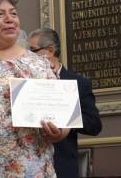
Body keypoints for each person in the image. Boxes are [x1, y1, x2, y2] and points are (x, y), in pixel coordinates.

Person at [0, 0, 69, 177]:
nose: (9, 19)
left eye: (13, 13)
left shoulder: (40, 64)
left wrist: (58, 133)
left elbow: (64, 121)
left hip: (34, 169)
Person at [28, 28, 102, 178]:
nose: (27, 56)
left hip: (61, 165)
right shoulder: (26, 82)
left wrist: (67, 123)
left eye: (32, 51)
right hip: (28, 165)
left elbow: (94, 125)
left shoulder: (78, 83)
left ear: (49, 51)